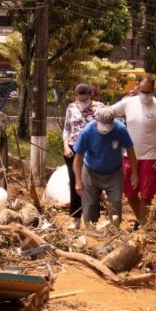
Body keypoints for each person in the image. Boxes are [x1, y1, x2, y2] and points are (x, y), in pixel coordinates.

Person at [111, 78, 156, 229]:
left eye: (147, 92)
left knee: (146, 194)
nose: (144, 95)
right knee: (130, 193)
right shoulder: (129, 102)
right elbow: (110, 111)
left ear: (154, 91)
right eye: (141, 91)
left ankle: (143, 226)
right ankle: (142, 220)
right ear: (137, 89)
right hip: (129, 156)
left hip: (150, 158)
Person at [73, 106, 137, 228]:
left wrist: (134, 173)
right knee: (90, 205)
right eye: (103, 126)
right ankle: (91, 232)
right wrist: (78, 180)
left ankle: (113, 231)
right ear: (96, 120)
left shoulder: (120, 129)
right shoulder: (87, 131)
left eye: (108, 126)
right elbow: (78, 157)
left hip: (114, 173)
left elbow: (130, 151)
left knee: (116, 203)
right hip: (91, 172)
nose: (105, 130)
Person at [61, 83, 103, 229]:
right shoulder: (71, 108)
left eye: (85, 100)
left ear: (90, 96)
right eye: (80, 100)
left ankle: (92, 219)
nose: (82, 103)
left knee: (92, 183)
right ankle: (76, 218)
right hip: (73, 148)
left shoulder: (100, 107)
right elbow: (66, 129)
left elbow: (105, 128)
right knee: (75, 183)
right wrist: (66, 146)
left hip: (92, 149)